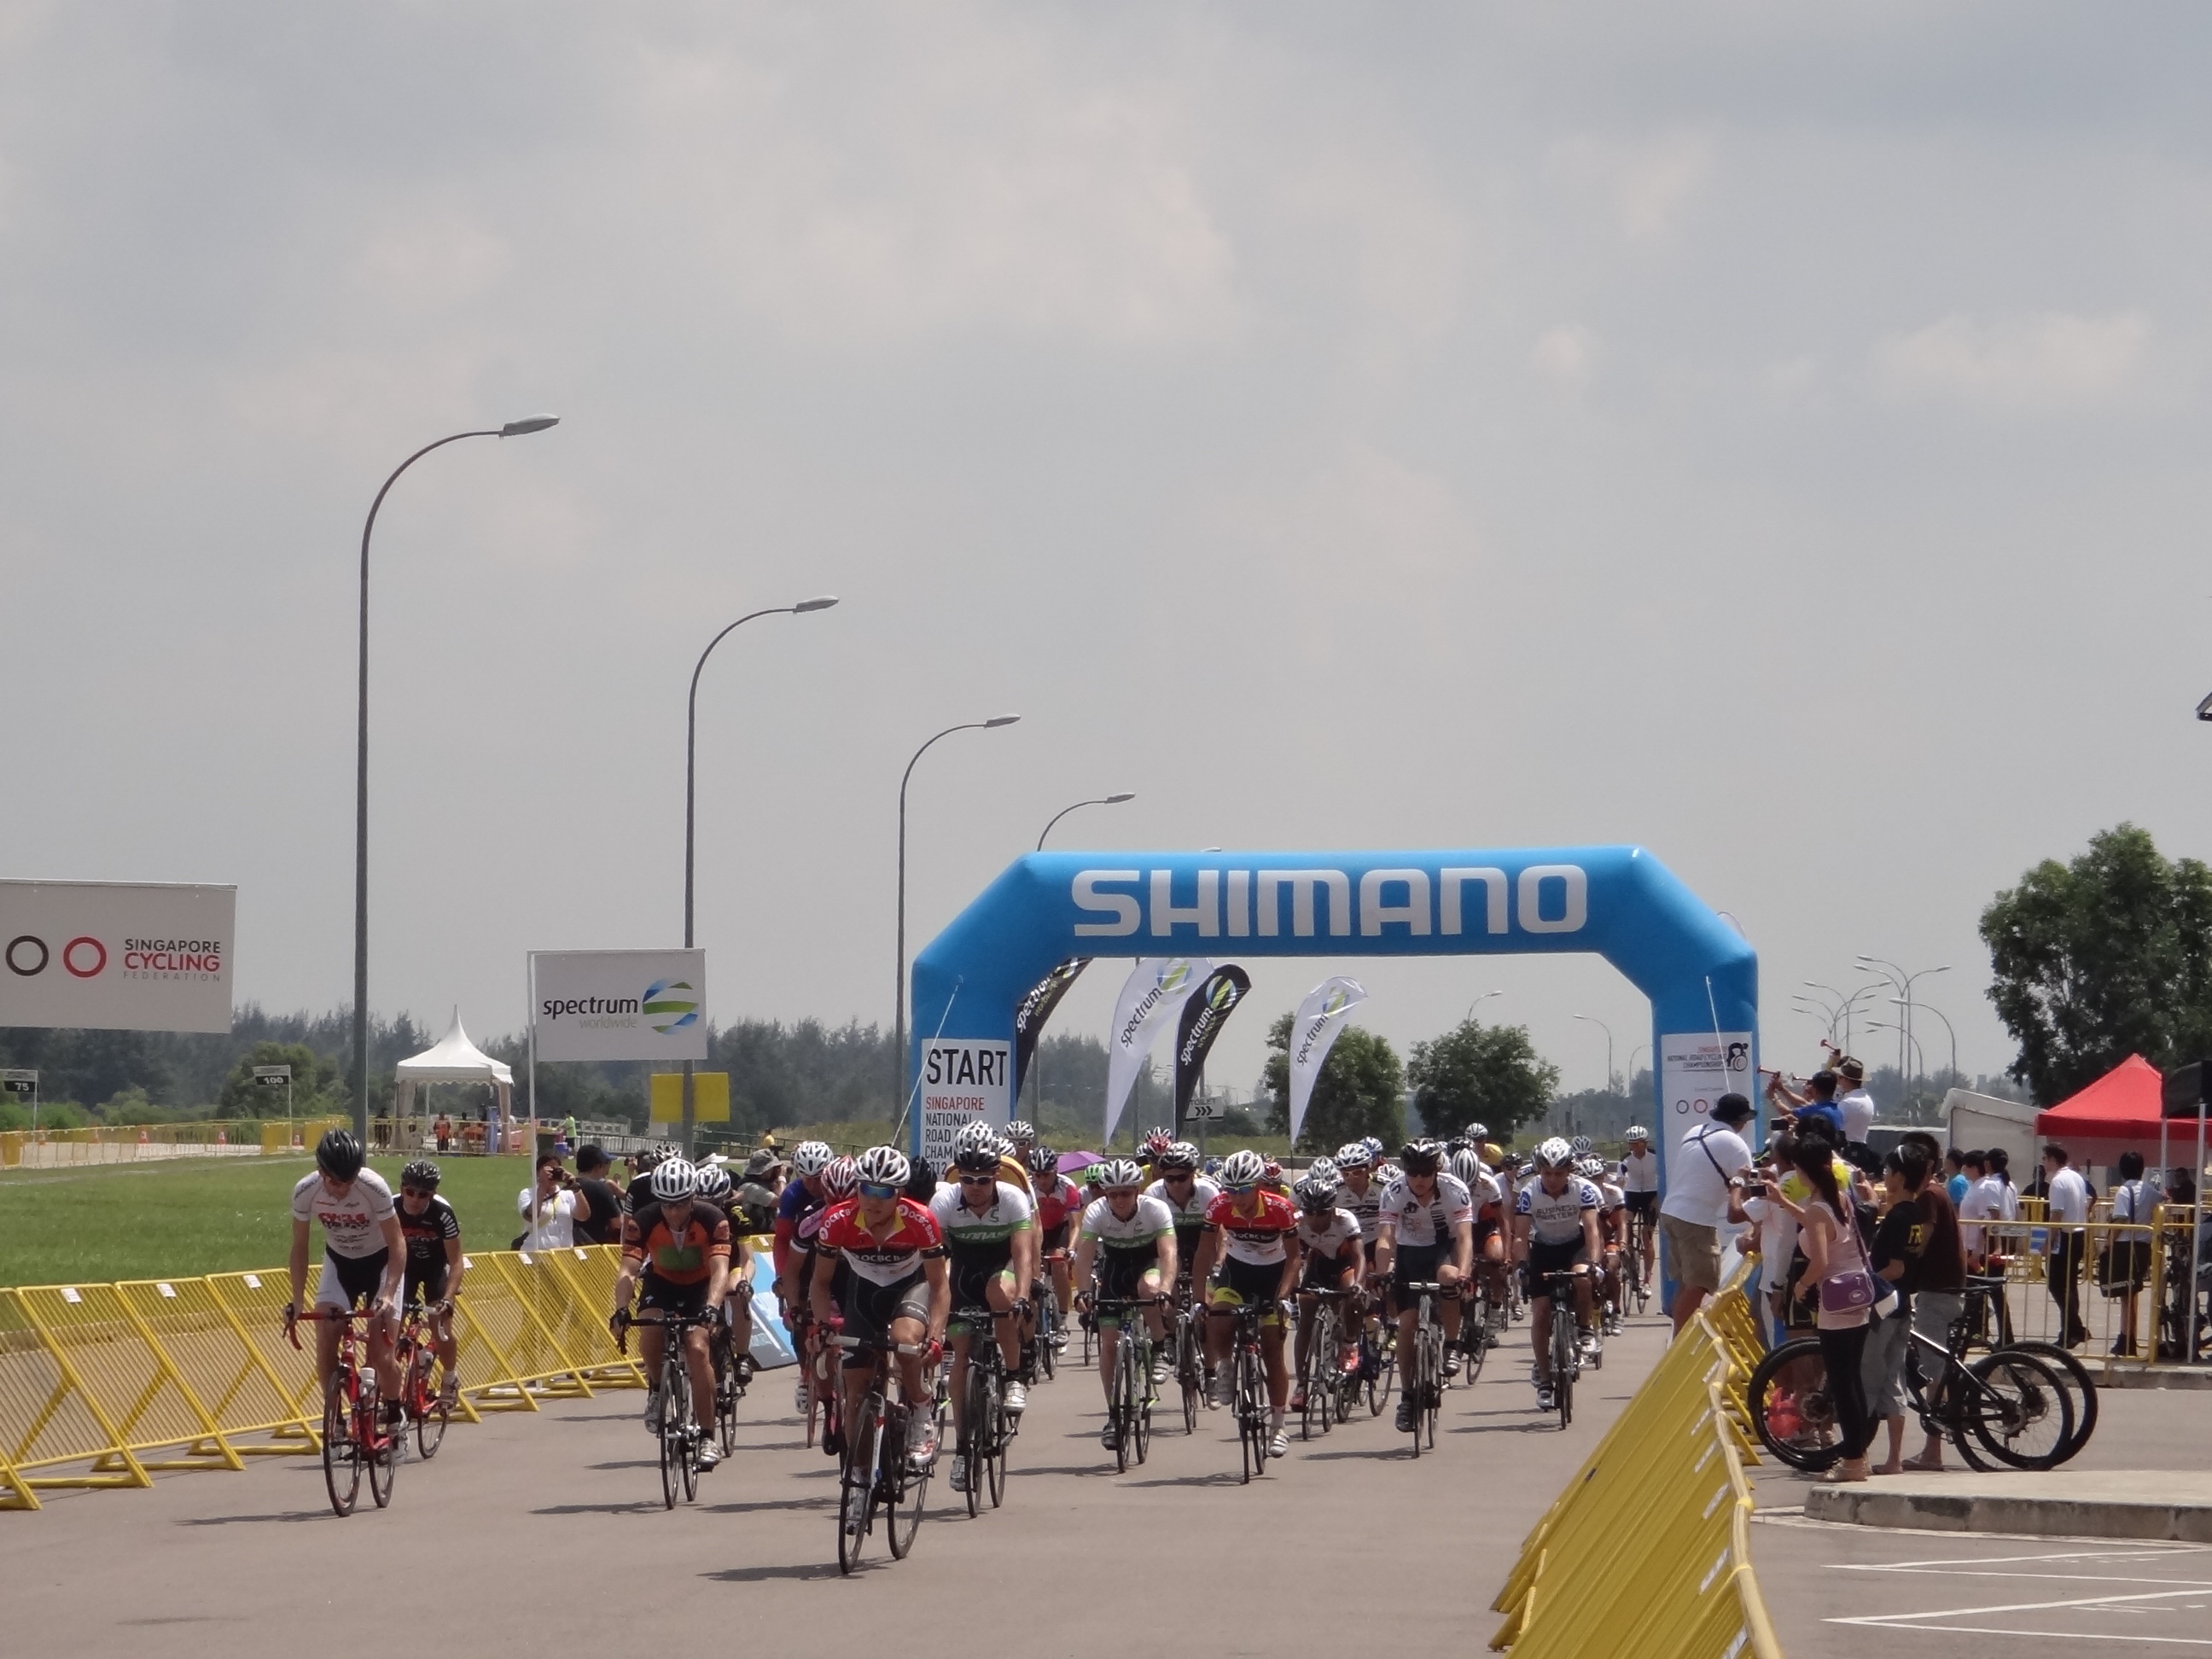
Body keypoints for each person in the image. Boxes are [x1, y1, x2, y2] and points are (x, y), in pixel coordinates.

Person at [811, 1146, 952, 1474]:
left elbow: (940, 1286)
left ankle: (920, 1411)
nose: (872, 1200)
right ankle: (858, 1477)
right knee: (855, 1389)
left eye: (883, 1192)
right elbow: (820, 1283)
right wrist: (822, 1325)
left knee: (905, 1341)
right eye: (866, 1189)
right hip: (864, 1290)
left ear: (899, 1193)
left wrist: (935, 1336)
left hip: (910, 1287)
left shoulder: (921, 1219)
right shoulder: (838, 1220)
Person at [610, 1156, 731, 1470]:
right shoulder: (644, 1220)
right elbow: (628, 1270)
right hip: (662, 1283)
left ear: (693, 1198)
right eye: (666, 1205)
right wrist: (621, 1310)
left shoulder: (713, 1218)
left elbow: (720, 1270)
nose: (673, 1212)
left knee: (697, 1349)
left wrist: (713, 1308)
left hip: (700, 1287)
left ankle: (707, 1436)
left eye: (679, 1204)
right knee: (649, 1331)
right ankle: (655, 1388)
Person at [929, 1144, 1037, 1491]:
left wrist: (1022, 1296)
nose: (974, 1187)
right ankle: (962, 1449)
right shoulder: (945, 1202)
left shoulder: (1012, 1199)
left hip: (1000, 1268)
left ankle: (1015, 1374)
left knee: (1000, 1296)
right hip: (963, 1273)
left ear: (995, 1178)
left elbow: (1022, 1254)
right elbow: (931, 1261)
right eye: (967, 1180)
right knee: (961, 1357)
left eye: (982, 1180)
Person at [287, 1129, 407, 1429]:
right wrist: (298, 1300)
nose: (342, 1189)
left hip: (380, 1264)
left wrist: (389, 1291)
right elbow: (300, 1248)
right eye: (334, 1182)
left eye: (349, 1181)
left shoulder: (373, 1187)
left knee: (381, 1356)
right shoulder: (306, 1191)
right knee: (326, 1337)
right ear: (320, 1172)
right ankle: (336, 1419)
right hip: (339, 1263)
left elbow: (397, 1243)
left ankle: (394, 1412)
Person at [1190, 1149, 1302, 1458]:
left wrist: (1282, 1297)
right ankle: (1225, 1365)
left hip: (1273, 1276)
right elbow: (1202, 1255)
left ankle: (1279, 1424)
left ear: (1258, 1186)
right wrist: (1200, 1298)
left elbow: (1295, 1258)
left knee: (1271, 1350)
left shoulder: (1280, 1209)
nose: (1236, 1197)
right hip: (1236, 1273)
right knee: (1219, 1316)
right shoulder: (1219, 1206)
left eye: (1243, 1190)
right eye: (1230, 1189)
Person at [1783, 1137, 1875, 1484]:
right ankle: (1859, 1456)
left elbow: (1820, 1259)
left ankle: (1852, 1461)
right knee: (1851, 1380)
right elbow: (1816, 1223)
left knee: (1842, 1382)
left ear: (1804, 1170)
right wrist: (1784, 1204)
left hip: (1834, 1302)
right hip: (1857, 1294)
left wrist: (1802, 1285)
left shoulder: (1819, 1207)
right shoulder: (1840, 1200)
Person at [1071, 1158, 1177, 1452]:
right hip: (1115, 1270)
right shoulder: (1096, 1211)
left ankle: (1158, 1346)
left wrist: (1166, 1289)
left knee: (1150, 1288)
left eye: (1125, 1193)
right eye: (1112, 1194)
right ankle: (1113, 1414)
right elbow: (1085, 1255)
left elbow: (1168, 1253)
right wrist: (1082, 1291)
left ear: (1136, 1190)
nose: (1118, 1200)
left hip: (1148, 1263)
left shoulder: (1155, 1209)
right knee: (1108, 1344)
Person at [1371, 1139, 1476, 1429]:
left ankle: (1452, 1345)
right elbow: (1386, 1237)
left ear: (1436, 1170)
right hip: (1410, 1252)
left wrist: (1465, 1272)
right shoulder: (1394, 1191)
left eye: (1425, 1173)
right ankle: (1407, 1397)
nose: (1419, 1179)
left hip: (1445, 1246)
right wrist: (1382, 1272)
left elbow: (1466, 1237)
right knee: (1407, 1325)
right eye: (1413, 1172)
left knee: (1449, 1279)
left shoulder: (1454, 1189)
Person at [1511, 1138, 1604, 1414]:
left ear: (1570, 1171)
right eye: (1547, 1173)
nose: (1552, 1180)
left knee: (1582, 1278)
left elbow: (1592, 1230)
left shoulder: (1583, 1190)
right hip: (1543, 1249)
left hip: (1574, 1247)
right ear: (1540, 1171)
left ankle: (1585, 1328)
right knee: (1540, 1313)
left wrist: (1594, 1262)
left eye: (1559, 1174)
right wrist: (1522, 1264)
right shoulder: (1529, 1193)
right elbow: (1520, 1236)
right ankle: (1544, 1378)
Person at [1659, 1094, 1756, 1331]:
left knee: (1686, 1283)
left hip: (1671, 1213)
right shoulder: (1735, 1144)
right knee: (1702, 1285)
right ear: (1741, 1121)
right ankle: (1678, 1349)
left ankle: (1678, 1341)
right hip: (1696, 1219)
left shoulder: (1694, 1131)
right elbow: (1747, 1189)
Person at [1861, 1150, 1919, 1474]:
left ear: (1898, 1176)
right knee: (1894, 1380)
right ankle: (1894, 1458)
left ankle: (1858, 1454)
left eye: (1887, 1170)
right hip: (1903, 1307)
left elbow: (1894, 1268)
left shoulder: (1898, 1218)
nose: (1884, 1175)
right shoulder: (1915, 1215)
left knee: (1868, 1379)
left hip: (1884, 1308)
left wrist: (1865, 1283)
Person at [393, 1158, 465, 1410]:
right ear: (401, 1188)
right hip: (406, 1269)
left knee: (441, 1330)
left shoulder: (442, 1213)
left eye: (423, 1195)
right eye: (409, 1192)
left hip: (436, 1267)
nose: (415, 1199)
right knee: (388, 1330)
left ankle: (449, 1378)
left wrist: (448, 1298)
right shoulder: (391, 1209)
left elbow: (457, 1261)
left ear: (432, 1194)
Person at [1289, 1170, 1364, 1410]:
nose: (1315, 1217)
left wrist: (1359, 1286)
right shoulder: (1297, 1222)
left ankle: (1350, 1343)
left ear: (1332, 1210)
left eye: (1321, 1212)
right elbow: (1290, 1257)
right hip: (1318, 1266)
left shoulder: (1345, 1220)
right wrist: (1288, 1286)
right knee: (1305, 1320)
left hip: (1344, 1265)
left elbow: (1359, 1256)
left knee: (1352, 1292)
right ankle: (1301, 1385)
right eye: (1309, 1211)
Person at [692, 1165, 759, 1390]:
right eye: (702, 1202)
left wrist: (744, 1282)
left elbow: (748, 1258)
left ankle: (742, 1356)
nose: (709, 1209)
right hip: (703, 1266)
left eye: (715, 1203)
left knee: (737, 1296)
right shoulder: (688, 1213)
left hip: (731, 1264)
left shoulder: (736, 1214)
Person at [2104, 1150, 2155, 1357]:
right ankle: (2128, 1337)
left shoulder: (2124, 1191)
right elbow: (2163, 1202)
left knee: (2125, 1296)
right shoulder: (2150, 1190)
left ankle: (2126, 1338)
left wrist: (2108, 1242)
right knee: (2132, 1295)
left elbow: (2121, 1219)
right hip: (2144, 1245)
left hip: (2126, 1245)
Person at [2043, 1143, 2091, 1348]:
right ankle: (2073, 1329)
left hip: (2064, 1236)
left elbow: (2056, 1214)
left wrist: (2048, 1241)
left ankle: (2074, 1328)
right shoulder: (2076, 1177)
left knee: (2057, 1284)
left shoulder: (2058, 1181)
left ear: (2053, 1159)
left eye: (2045, 1159)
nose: (2043, 1163)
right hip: (2078, 1234)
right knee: (2069, 1286)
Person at [518, 1151, 592, 1251]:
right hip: (535, 1254)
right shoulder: (527, 1194)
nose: (552, 1174)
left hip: (563, 1257)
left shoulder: (567, 1195)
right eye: (548, 1170)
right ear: (537, 1173)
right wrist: (543, 1186)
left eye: (556, 1170)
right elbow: (531, 1216)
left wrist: (575, 1187)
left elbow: (584, 1216)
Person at [1619, 1126, 1660, 1285]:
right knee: (1626, 1225)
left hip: (1652, 1193)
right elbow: (1620, 1180)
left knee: (1646, 1234)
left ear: (1645, 1143)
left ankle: (1648, 1277)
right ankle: (1629, 1261)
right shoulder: (1625, 1159)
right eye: (1632, 1144)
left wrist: (1659, 1197)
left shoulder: (1655, 1156)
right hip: (1632, 1193)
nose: (1635, 1147)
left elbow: (1663, 1175)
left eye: (1638, 1143)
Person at [571, 1145, 624, 1246]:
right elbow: (617, 1223)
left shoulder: (565, 1188)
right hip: (597, 1250)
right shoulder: (601, 1188)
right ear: (599, 1166)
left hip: (569, 1249)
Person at [1836, 1058, 1877, 1149]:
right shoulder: (1868, 1100)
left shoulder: (1847, 1103)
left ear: (1846, 1079)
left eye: (1840, 1077)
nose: (1838, 1081)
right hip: (1862, 1148)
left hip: (1846, 1149)